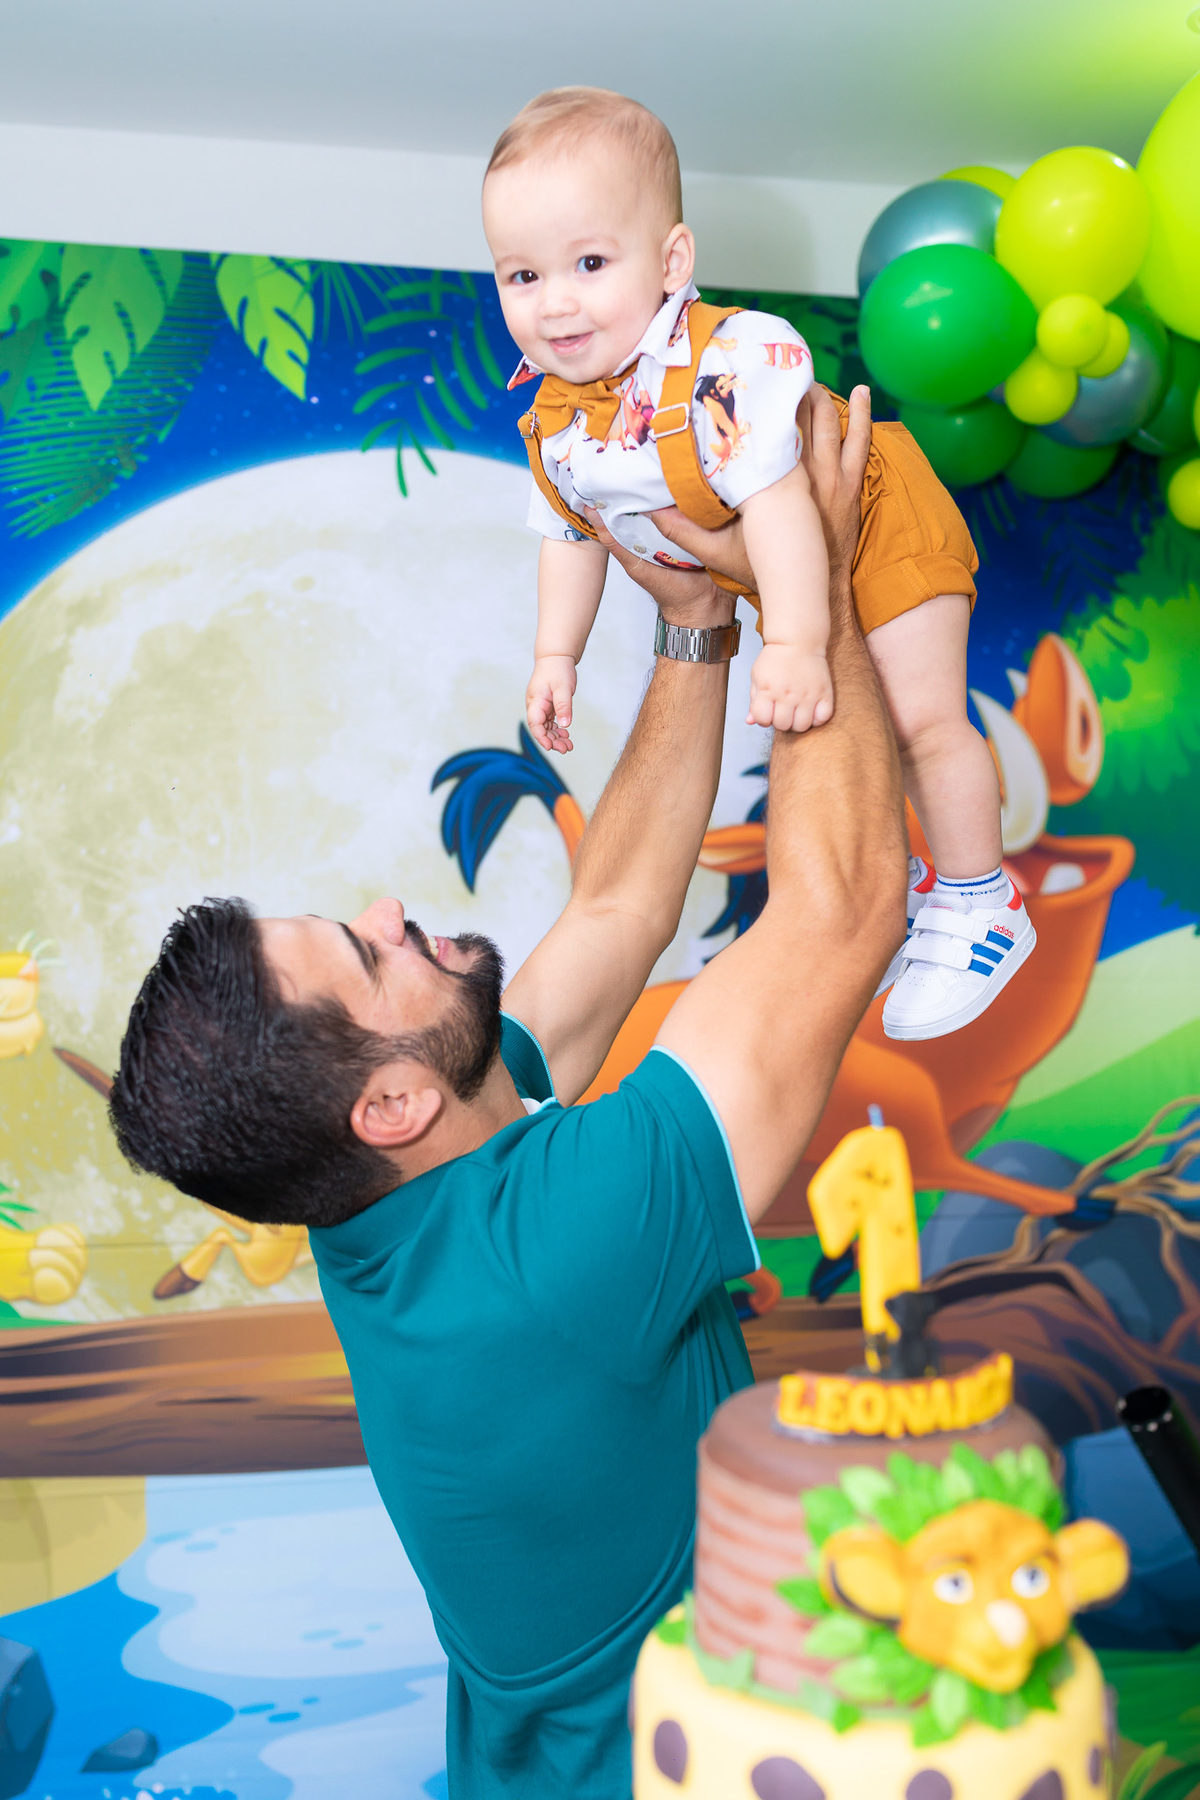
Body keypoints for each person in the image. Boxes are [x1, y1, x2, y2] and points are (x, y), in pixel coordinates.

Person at [109, 386, 905, 1799]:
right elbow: (839, 915)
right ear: (388, 1108)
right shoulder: (554, 1248)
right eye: (368, 956)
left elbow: (614, 914)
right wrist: (813, 591)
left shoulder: (384, 1197)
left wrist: (696, 623)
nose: (391, 912)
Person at [483, 85, 1036, 1042]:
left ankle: (984, 901)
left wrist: (795, 641)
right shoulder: (561, 422)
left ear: (672, 262)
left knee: (919, 721)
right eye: (522, 275)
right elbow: (569, 539)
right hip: (785, 575)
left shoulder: (727, 365)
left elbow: (783, 507)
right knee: (864, 738)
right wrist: (554, 657)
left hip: (876, 520)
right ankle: (908, 884)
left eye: (589, 263)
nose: (555, 300)